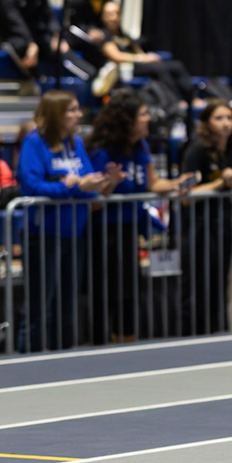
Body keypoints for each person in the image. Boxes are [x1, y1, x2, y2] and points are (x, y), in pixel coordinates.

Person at [15, 90, 120, 352]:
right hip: (43, 233)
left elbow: (86, 183)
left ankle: (62, 355)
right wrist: (70, 187)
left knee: (67, 303)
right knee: (40, 304)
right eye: (72, 110)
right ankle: (27, 358)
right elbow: (31, 186)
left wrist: (101, 183)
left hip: (74, 232)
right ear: (56, 114)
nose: (78, 114)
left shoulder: (76, 144)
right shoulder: (34, 143)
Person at [88, 91, 180, 343]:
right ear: (127, 120)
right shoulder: (101, 150)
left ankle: (126, 341)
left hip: (129, 228)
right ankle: (99, 345)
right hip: (103, 231)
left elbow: (152, 182)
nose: (148, 118)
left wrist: (177, 184)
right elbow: (93, 198)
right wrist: (109, 183)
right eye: (143, 114)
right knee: (105, 291)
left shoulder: (141, 146)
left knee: (130, 290)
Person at [179, 102, 232, 335]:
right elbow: (185, 194)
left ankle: (217, 334)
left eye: (229, 118)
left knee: (220, 284)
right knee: (196, 286)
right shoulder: (197, 150)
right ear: (207, 122)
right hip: (197, 227)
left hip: (222, 224)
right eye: (219, 118)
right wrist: (219, 183)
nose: (226, 123)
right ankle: (191, 337)